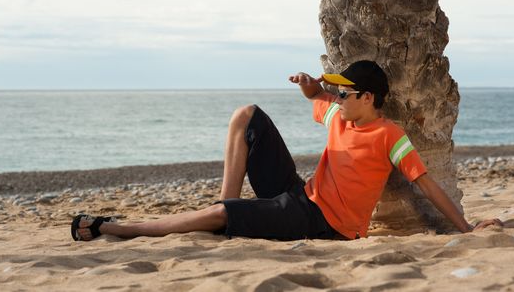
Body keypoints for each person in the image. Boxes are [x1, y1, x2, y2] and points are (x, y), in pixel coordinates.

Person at [71, 60, 502, 241]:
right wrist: (312, 88)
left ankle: (115, 228)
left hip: (326, 224)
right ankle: (229, 202)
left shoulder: (390, 136)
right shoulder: (338, 114)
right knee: (247, 116)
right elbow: (315, 99)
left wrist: (465, 229)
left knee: (222, 219)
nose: (337, 99)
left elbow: (426, 184)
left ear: (368, 98)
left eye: (345, 94)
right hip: (301, 194)